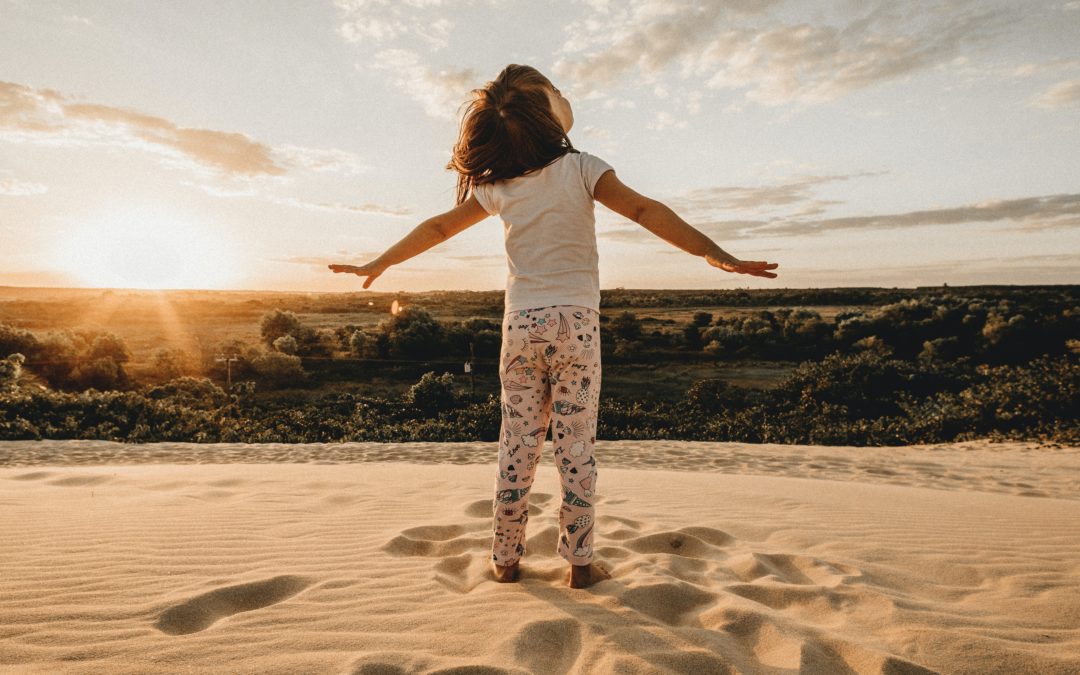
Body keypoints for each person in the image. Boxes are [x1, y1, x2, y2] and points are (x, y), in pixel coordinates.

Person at [330, 64, 778, 589]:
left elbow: (437, 226)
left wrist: (380, 262)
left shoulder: (497, 185)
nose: (567, 97)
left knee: (516, 446)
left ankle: (505, 560)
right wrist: (714, 254)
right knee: (576, 447)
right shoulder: (583, 168)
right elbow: (643, 208)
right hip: (576, 326)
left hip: (521, 326)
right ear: (547, 114)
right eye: (558, 92)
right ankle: (581, 565)